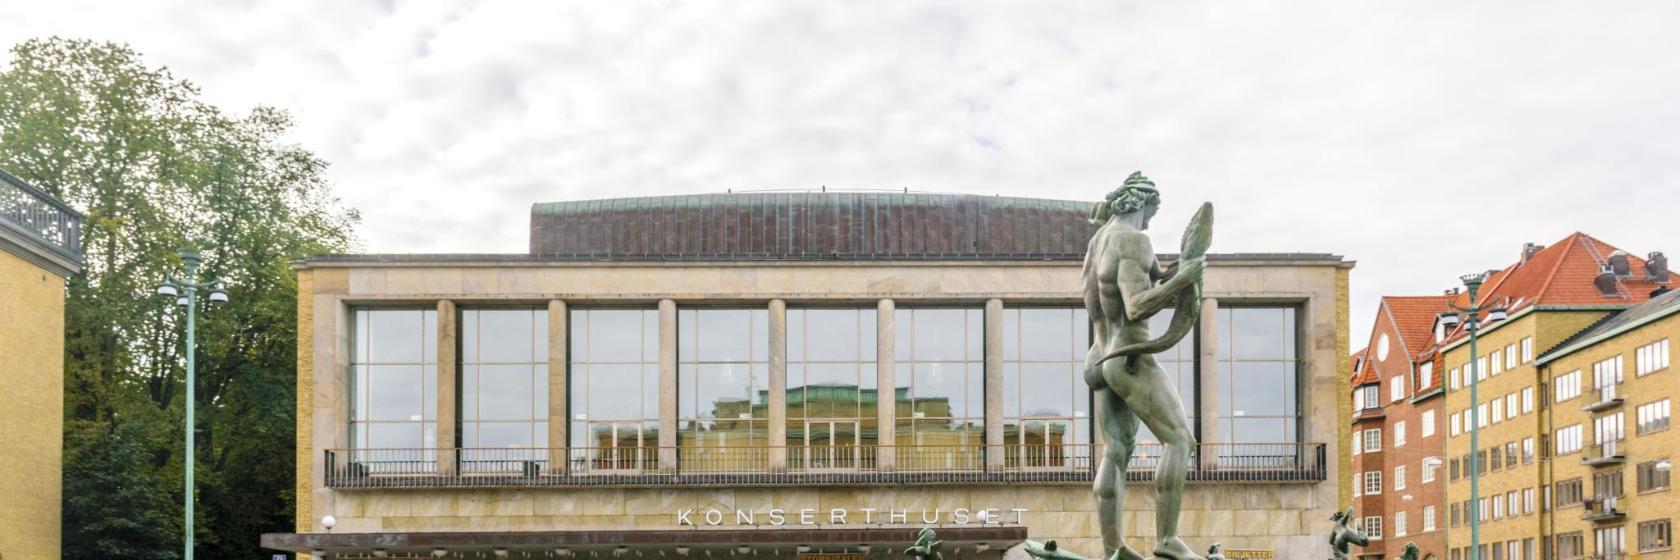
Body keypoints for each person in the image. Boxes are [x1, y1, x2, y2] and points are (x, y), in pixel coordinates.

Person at [1081, 172, 1205, 560]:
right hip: (1130, 355)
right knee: (1180, 440)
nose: (1151, 220)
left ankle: (1113, 548)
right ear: (1140, 203)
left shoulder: (1097, 242)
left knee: (1115, 450)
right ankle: (1167, 539)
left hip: (1100, 356)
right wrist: (1182, 278)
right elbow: (1136, 306)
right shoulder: (1133, 240)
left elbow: (1116, 295)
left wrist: (1165, 277)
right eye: (1152, 211)